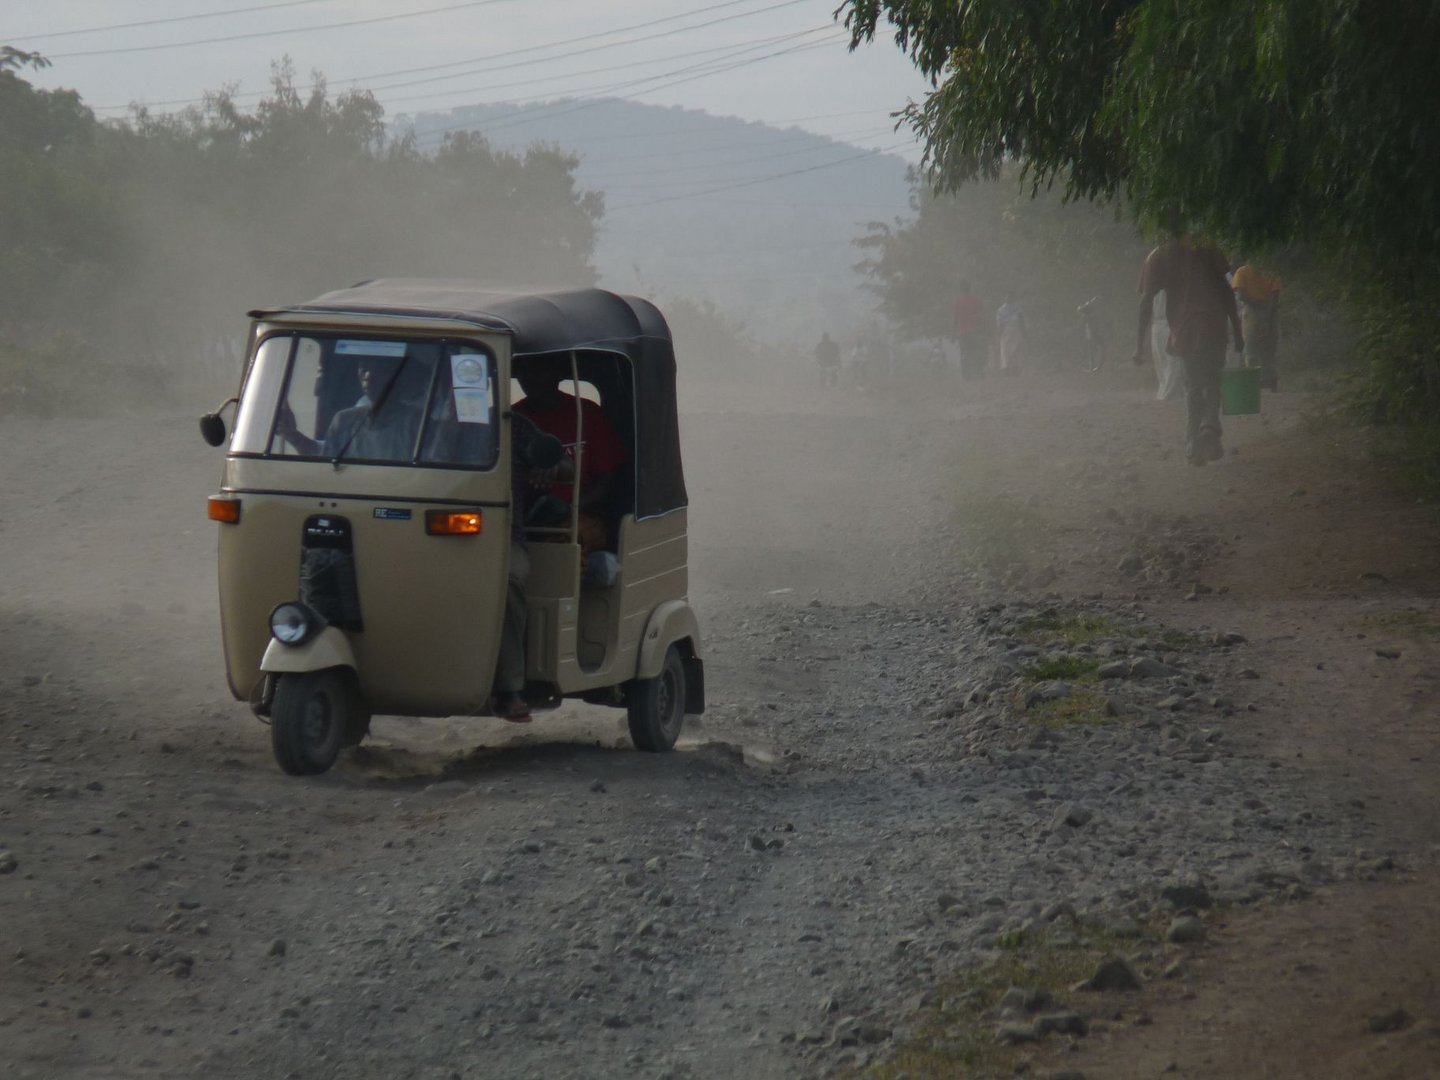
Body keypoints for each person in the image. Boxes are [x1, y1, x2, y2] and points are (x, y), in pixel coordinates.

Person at [1134, 225, 1245, 466]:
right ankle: (1210, 428)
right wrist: (1237, 330)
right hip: (1214, 323)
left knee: (1193, 387)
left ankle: (1193, 446)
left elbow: (1145, 302)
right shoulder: (1207, 247)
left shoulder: (1158, 256)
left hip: (1185, 329)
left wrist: (1138, 345)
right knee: (1214, 380)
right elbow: (1226, 291)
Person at [493, 412, 573, 722]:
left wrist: (548, 464)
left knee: (511, 578)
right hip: (432, 528)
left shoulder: (511, 425)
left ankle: (510, 687)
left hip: (502, 535)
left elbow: (568, 467)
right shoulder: (423, 419)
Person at [512, 354, 628, 558]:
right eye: (523, 371)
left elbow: (607, 477)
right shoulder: (511, 419)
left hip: (579, 513)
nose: (530, 378)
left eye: (539, 370)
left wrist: (570, 508)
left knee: (567, 541)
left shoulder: (587, 414)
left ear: (557, 374)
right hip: (519, 514)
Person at [276, 354, 420, 461]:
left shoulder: (416, 422)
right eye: (364, 368)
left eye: (379, 369)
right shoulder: (345, 420)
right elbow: (326, 460)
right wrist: (291, 434)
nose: (368, 376)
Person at [1231, 259, 1283, 390]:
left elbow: (1241, 296)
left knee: (1251, 348)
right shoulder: (1271, 273)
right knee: (1269, 346)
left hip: (1251, 311)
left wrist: (1258, 306)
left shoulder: (1242, 272)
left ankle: (1253, 381)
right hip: (1269, 311)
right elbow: (1275, 298)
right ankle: (1270, 380)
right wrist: (1267, 316)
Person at [951, 281, 985, 379]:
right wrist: (984, 329)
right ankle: (979, 371)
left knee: (964, 352)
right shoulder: (977, 300)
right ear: (970, 288)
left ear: (961, 289)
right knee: (976, 351)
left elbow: (955, 318)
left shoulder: (957, 301)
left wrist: (953, 334)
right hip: (975, 330)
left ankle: (966, 374)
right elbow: (981, 316)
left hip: (962, 332)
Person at [995, 292, 1026, 374]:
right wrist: (1024, 331)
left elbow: (1000, 323)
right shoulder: (1018, 308)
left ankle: (1007, 367)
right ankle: (1014, 367)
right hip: (1014, 329)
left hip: (1007, 330)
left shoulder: (1001, 309)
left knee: (1006, 349)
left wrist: (998, 334)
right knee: (1015, 349)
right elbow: (1021, 321)